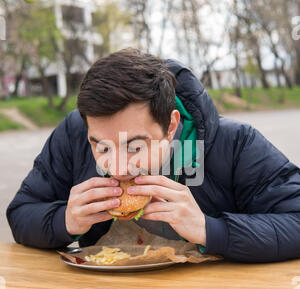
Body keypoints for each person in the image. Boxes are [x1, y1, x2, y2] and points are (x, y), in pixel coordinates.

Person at [6, 48, 300, 262]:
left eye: (134, 146)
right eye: (101, 146)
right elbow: (21, 213)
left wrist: (211, 229)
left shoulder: (234, 142)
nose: (118, 168)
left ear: (171, 125)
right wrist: (65, 220)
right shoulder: (74, 133)